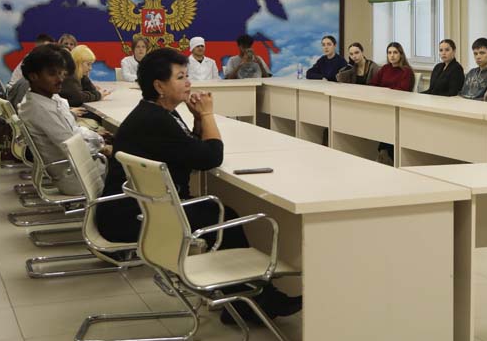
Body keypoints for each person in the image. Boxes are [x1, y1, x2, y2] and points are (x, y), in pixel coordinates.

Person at [94, 47, 301, 323]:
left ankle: (244, 297)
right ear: (159, 86)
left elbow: (187, 150)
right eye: (180, 77)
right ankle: (248, 301)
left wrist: (196, 119)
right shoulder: (156, 120)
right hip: (132, 218)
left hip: (134, 209)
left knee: (218, 213)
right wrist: (207, 115)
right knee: (222, 216)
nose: (189, 83)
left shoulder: (157, 113)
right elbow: (211, 157)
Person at [17, 45, 109, 196]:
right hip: (77, 176)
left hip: (74, 168)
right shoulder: (40, 109)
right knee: (129, 159)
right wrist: (102, 146)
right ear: (33, 76)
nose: (60, 79)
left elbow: (72, 130)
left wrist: (98, 138)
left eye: (61, 73)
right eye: (52, 74)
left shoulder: (46, 99)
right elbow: (72, 146)